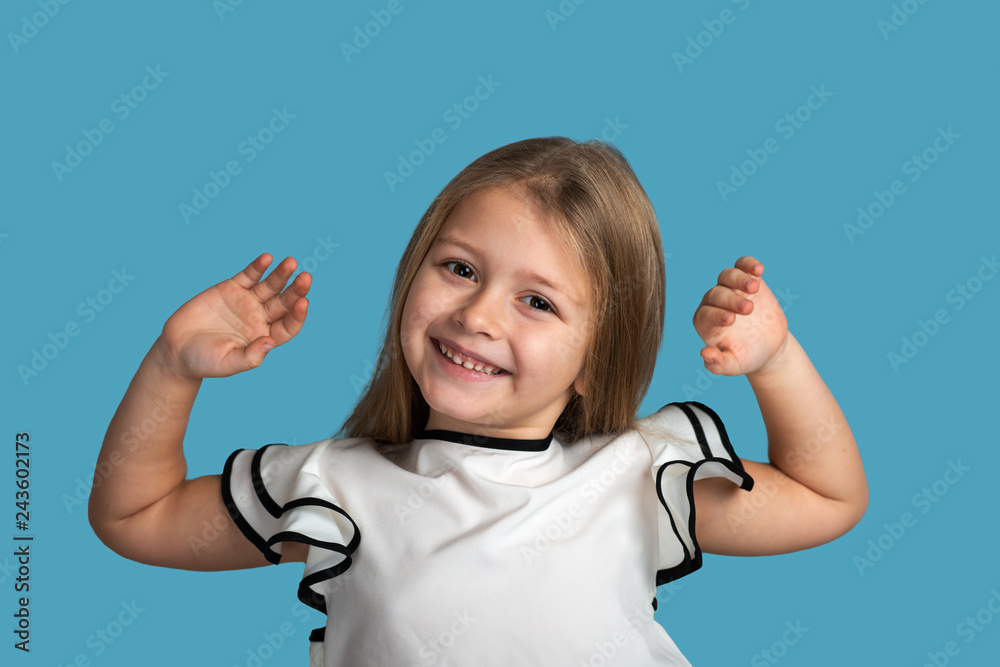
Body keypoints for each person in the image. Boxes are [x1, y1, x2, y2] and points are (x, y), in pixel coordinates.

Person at [89, 137, 868, 666]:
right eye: (460, 269)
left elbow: (828, 497)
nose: (479, 315)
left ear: (598, 360)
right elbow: (135, 516)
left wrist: (778, 360)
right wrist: (171, 366)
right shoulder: (335, 486)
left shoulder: (637, 477)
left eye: (538, 301)